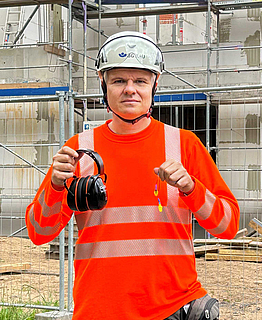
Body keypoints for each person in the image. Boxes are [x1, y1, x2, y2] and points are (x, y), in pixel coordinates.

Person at [26, 31, 240, 320]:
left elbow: (227, 226)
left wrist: (192, 188)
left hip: (171, 309)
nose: (130, 89)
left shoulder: (184, 145)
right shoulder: (78, 151)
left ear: (154, 85)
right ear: (103, 85)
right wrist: (54, 185)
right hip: (100, 311)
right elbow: (39, 233)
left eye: (140, 80)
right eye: (119, 81)